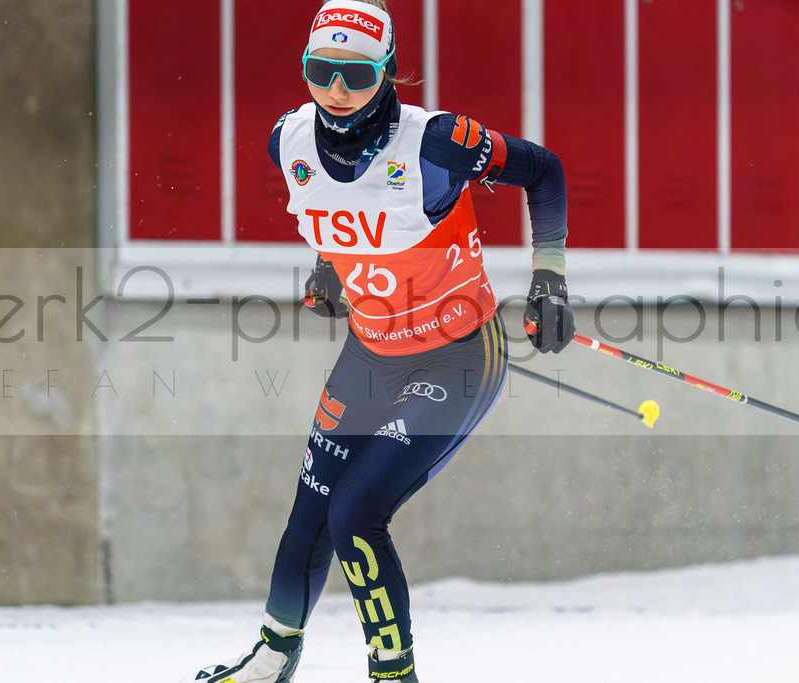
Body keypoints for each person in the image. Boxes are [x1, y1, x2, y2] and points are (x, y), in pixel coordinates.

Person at [182, 1, 573, 681]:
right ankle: (273, 657)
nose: (336, 89)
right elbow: (332, 219)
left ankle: (394, 674)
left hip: (457, 353)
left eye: (356, 74)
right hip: (371, 351)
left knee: (356, 512)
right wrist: (329, 270)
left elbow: (544, 170)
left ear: (388, 72)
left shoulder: (438, 143)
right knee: (311, 505)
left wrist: (550, 279)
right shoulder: (289, 141)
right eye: (320, 70)